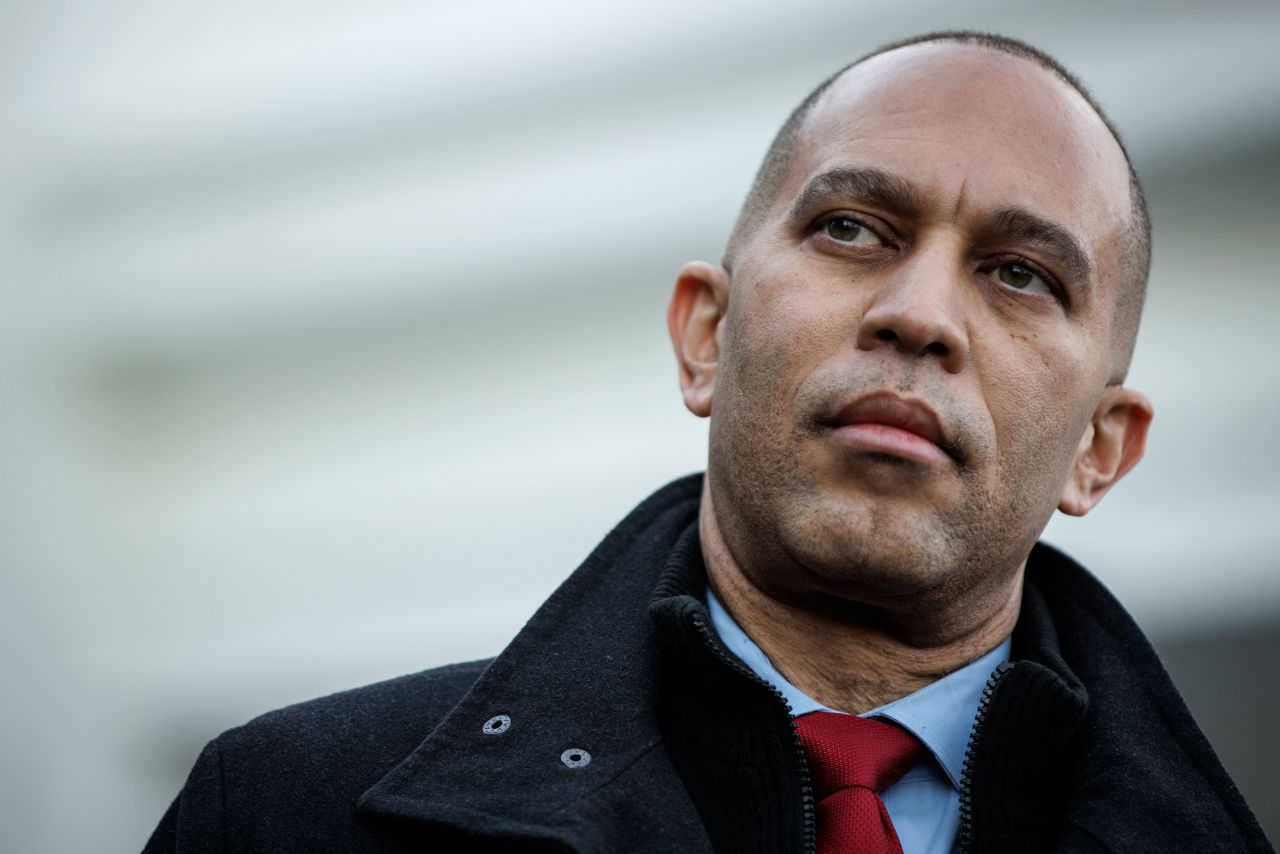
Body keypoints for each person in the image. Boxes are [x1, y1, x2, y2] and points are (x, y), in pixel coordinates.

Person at [144, 30, 1272, 854]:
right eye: (849, 227)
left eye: (1020, 273)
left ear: (1099, 449)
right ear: (705, 334)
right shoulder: (281, 812)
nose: (919, 314)